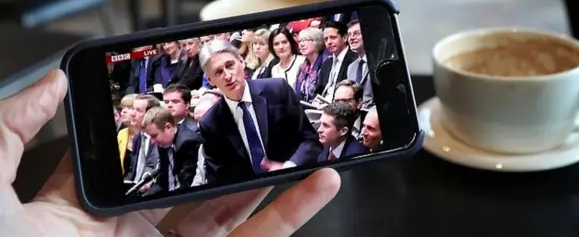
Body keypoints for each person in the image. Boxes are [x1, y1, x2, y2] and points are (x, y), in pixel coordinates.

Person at [1, 69, 341, 236]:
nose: (136, 127)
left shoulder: (190, 139)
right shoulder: (173, 134)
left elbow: (186, 180)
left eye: (150, 131)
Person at [199, 40, 322, 186]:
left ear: (241, 62)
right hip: (251, 198)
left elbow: (310, 140)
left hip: (295, 182)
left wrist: (288, 168)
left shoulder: (277, 90)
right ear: (210, 80)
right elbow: (218, 177)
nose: (227, 75)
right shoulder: (210, 122)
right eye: (218, 72)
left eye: (230, 65)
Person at [142, 107, 202, 195]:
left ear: (168, 127)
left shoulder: (188, 143)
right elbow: (163, 181)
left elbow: (187, 184)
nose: (152, 141)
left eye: (154, 136)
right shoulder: (164, 144)